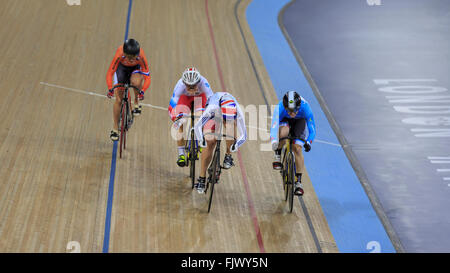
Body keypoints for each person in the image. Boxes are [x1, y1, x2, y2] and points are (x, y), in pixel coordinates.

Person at [193, 92, 247, 193]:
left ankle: (228, 155)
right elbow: (197, 127)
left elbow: (244, 136)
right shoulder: (212, 108)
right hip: (215, 114)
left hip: (226, 111)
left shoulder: (237, 110)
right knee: (210, 141)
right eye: (225, 119)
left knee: (231, 126)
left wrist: (236, 145)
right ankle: (202, 177)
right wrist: (201, 140)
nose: (226, 122)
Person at [270, 91, 316, 196]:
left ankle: (298, 182)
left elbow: (312, 130)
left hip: (299, 121)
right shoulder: (280, 107)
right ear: (285, 107)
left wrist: (309, 142)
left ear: (299, 107)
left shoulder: (306, 108)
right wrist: (274, 141)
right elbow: (273, 127)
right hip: (284, 120)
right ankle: (278, 154)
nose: (292, 113)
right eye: (289, 110)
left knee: (297, 148)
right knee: (284, 132)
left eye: (295, 110)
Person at [106, 39, 151, 141]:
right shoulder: (119, 53)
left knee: (136, 82)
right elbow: (110, 72)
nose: (131, 60)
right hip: (121, 69)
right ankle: (115, 128)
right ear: (124, 53)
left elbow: (147, 77)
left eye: (133, 57)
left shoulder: (141, 56)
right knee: (118, 100)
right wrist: (110, 88)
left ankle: (136, 101)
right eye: (128, 57)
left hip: (136, 69)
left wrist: (142, 91)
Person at [168, 67, 214, 167]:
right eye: (189, 86)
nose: (192, 88)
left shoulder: (204, 83)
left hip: (199, 98)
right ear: (184, 83)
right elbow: (173, 103)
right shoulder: (180, 85)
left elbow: (211, 98)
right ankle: (181, 154)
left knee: (201, 118)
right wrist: (175, 117)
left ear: (198, 82)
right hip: (185, 99)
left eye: (194, 85)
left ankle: (200, 138)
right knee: (181, 124)